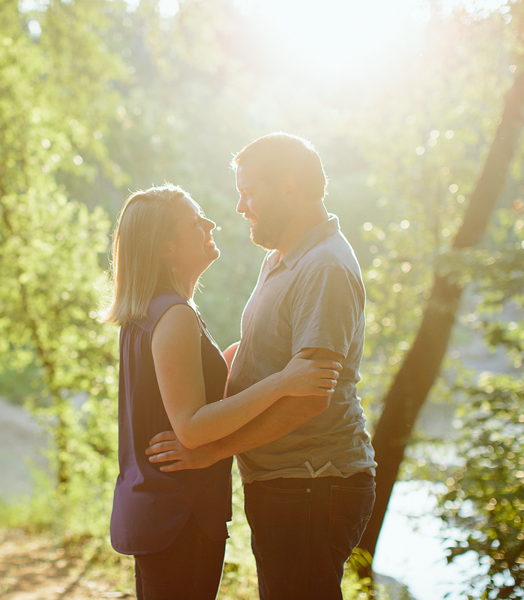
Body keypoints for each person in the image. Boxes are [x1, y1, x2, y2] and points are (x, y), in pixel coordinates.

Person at [146, 133, 377, 600]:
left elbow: (308, 397)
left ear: (289, 187)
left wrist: (213, 450)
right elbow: (263, 353)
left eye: (249, 192)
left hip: (313, 483)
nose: (239, 207)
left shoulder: (324, 267)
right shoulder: (283, 258)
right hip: (289, 483)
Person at [102, 183, 343, 600]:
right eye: (195, 222)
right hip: (181, 517)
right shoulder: (175, 314)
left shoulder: (149, 310)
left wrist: (228, 362)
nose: (210, 224)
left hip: (160, 511)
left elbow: (171, 394)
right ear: (167, 249)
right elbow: (191, 429)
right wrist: (282, 381)